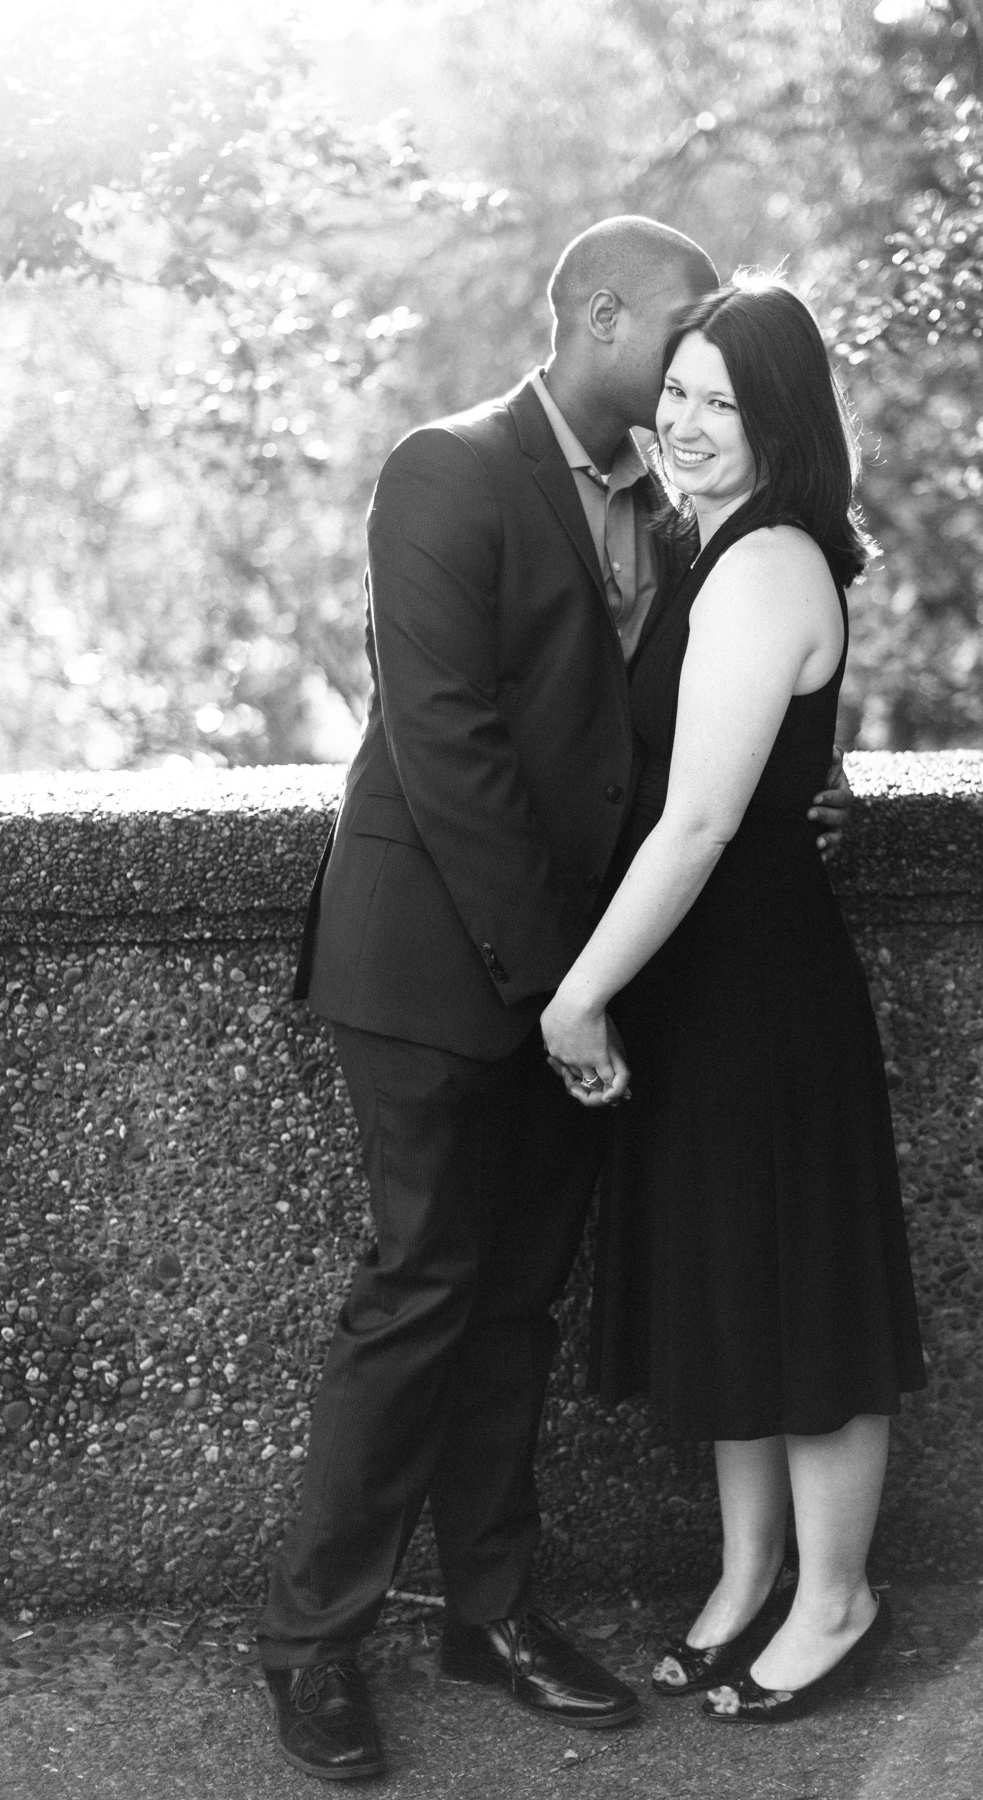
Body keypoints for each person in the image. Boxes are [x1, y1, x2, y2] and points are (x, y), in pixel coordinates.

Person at [257, 222, 854, 1779]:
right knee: (417, 1295)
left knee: (517, 1299)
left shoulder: (676, 510)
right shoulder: (445, 469)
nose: (692, 376)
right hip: (439, 967)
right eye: (681, 341)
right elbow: (446, 746)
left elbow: (688, 733)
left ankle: (495, 1609)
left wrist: (810, 785)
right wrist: (559, 990)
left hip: (576, 980)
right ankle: (313, 1644)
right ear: (600, 319)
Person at [541, 277, 926, 1727]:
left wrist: (578, 998)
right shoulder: (722, 546)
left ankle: (837, 1600)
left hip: (760, 986)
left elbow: (700, 823)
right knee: (736, 1283)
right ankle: (750, 1571)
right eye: (680, 393)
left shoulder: (766, 565)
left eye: (725, 403)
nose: (691, 426)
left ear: (782, 422)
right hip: (711, 981)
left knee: (800, 1294)